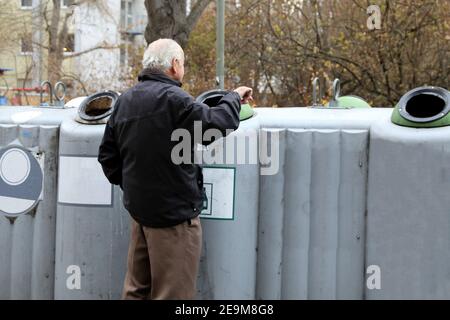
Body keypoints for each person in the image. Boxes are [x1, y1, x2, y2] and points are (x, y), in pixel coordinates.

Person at [98, 38, 253, 300]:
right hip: (173, 221)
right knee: (174, 294)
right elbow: (218, 123)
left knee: (136, 291)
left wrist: (136, 187)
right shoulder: (174, 99)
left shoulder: (125, 101)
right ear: (174, 64)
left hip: (140, 215)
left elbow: (107, 156)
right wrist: (234, 97)